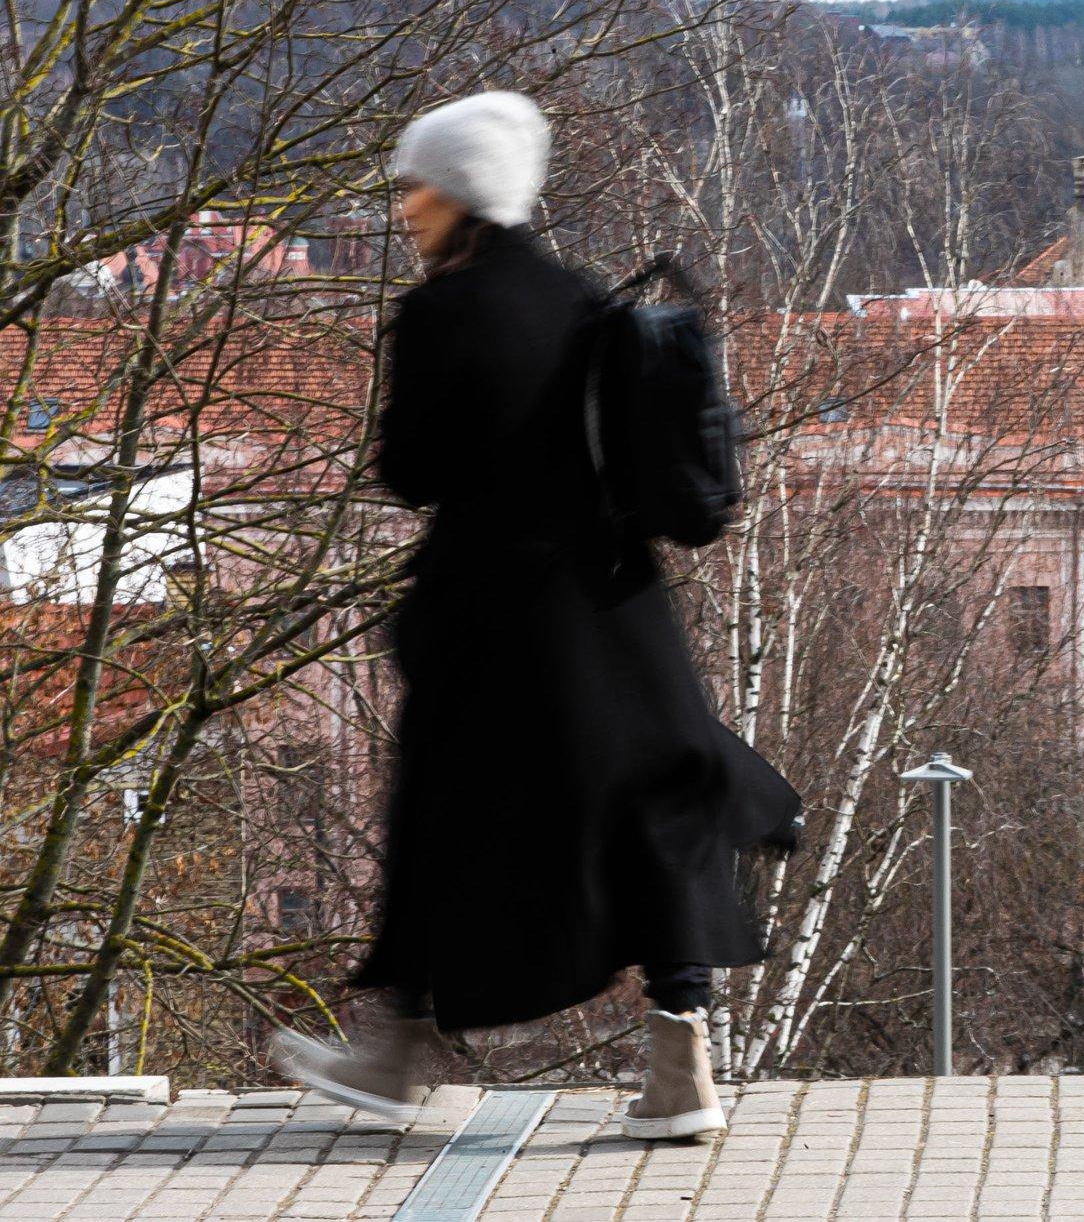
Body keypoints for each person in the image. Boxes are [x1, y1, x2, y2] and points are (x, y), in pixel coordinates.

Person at [273, 91, 800, 1142]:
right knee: (650, 809)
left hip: (489, 610)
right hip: (615, 603)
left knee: (438, 816)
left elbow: (410, 470)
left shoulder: (442, 311)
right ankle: (680, 1061)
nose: (404, 208)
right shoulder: (585, 299)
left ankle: (396, 1049)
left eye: (413, 188)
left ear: (454, 193)